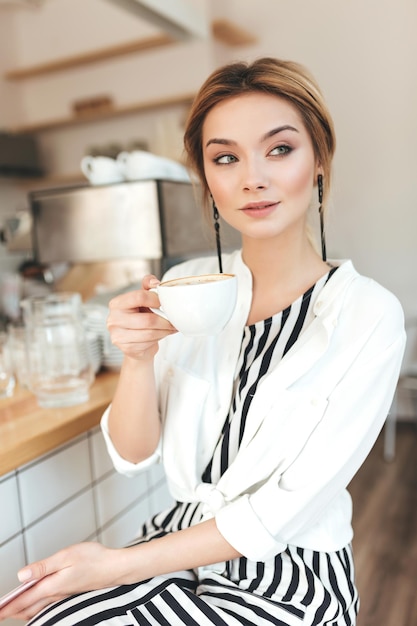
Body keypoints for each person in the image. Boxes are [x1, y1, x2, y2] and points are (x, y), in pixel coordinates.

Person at [0, 57, 405, 626]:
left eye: (280, 149)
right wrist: (138, 357)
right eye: (225, 158)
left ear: (319, 160)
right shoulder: (188, 286)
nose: (252, 178)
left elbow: (277, 515)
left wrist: (115, 567)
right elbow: (133, 454)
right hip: (175, 543)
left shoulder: (368, 314)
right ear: (208, 179)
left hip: (289, 574)